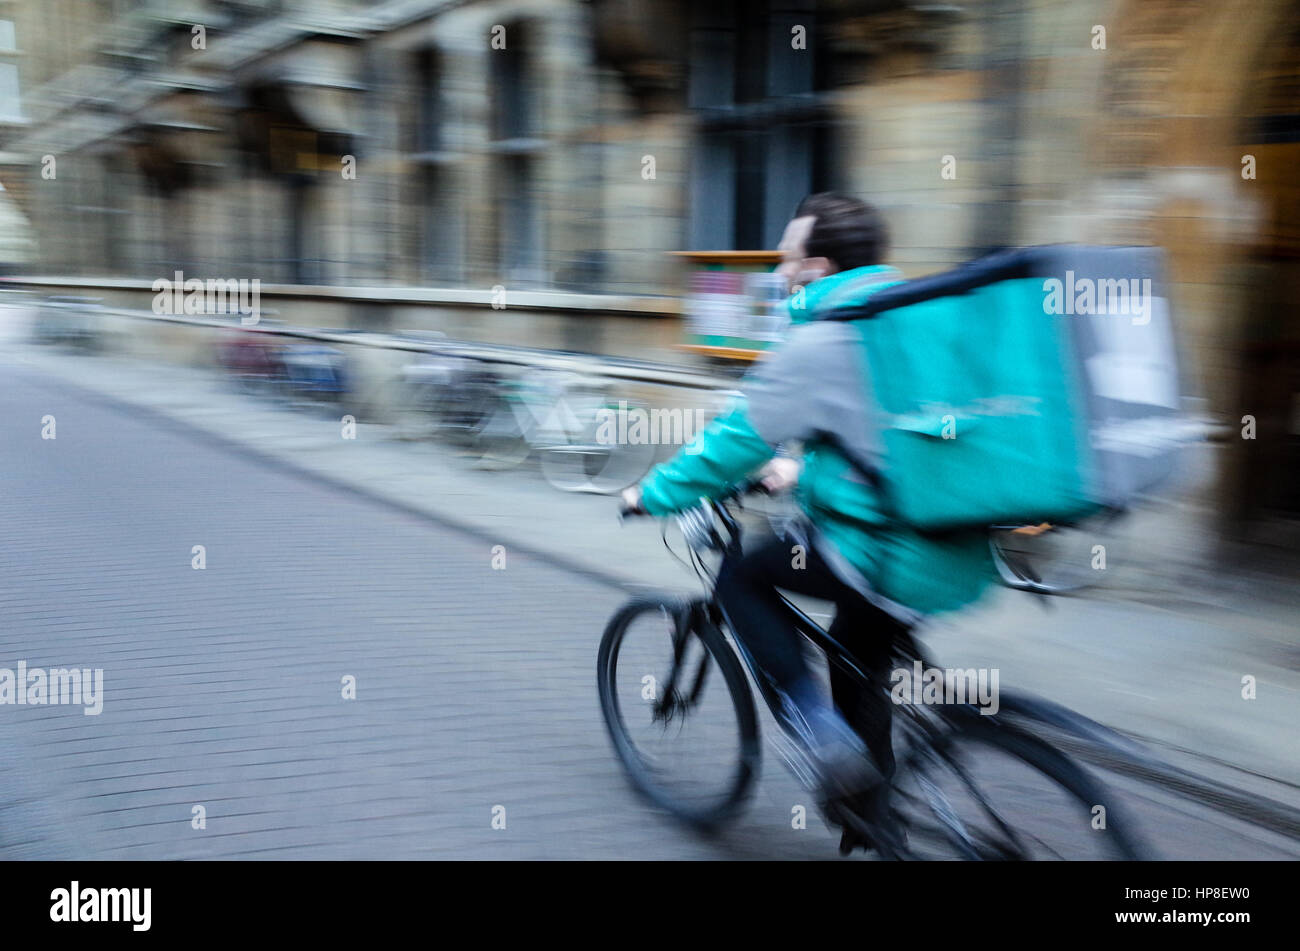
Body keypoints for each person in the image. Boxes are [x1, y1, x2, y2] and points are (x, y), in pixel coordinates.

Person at [621, 193, 996, 852]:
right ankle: (873, 820)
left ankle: (825, 740)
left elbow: (736, 442)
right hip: (953, 545)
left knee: (741, 581)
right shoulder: (910, 316)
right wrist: (806, 470)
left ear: (818, 265)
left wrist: (650, 493)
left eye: (787, 256)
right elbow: (894, 430)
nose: (778, 270)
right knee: (858, 654)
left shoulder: (823, 335)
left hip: (882, 551)